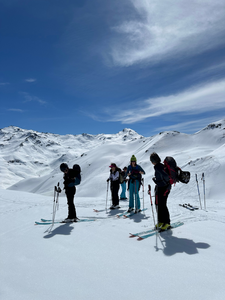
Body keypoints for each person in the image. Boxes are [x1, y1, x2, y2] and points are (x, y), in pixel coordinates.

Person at [150, 152, 171, 231]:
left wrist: (163, 182)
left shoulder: (158, 167)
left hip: (163, 187)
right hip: (161, 187)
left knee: (162, 205)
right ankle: (161, 221)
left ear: (153, 160)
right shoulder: (160, 166)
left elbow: (166, 176)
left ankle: (167, 223)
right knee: (159, 204)